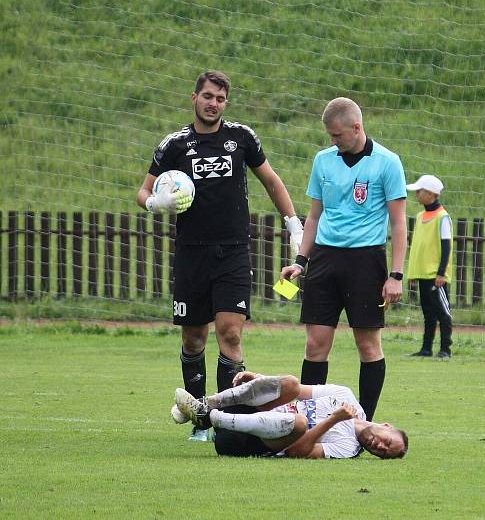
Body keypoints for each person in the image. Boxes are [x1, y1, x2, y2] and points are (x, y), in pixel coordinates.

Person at [137, 70, 304, 442]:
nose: (214, 103)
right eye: (208, 96)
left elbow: (272, 181)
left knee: (230, 333)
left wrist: (293, 223)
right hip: (191, 255)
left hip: (233, 253)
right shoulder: (174, 145)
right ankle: (198, 417)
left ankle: (225, 418)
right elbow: (143, 190)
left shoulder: (241, 138)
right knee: (193, 340)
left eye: (220, 98)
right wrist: (154, 202)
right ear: (193, 97)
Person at [280, 97, 407, 422]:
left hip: (366, 262)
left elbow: (398, 223)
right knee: (315, 345)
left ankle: (363, 424)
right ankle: (308, 422)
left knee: (368, 345)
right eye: (329, 136)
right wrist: (300, 261)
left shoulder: (388, 162)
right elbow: (314, 216)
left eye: (337, 135)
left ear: (356, 127)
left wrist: (396, 275)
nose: (332, 141)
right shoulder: (323, 161)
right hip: (324, 260)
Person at [173, 371, 409, 459]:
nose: (378, 445)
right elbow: (296, 390)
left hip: (246, 441)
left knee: (300, 423)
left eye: (382, 452)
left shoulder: (348, 449)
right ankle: (207, 404)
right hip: (248, 411)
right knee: (293, 383)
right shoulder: (345, 395)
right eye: (386, 441)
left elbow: (297, 452)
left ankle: (209, 418)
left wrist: (332, 420)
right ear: (386, 426)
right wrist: (260, 379)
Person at [405, 174, 454, 358]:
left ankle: (445, 349)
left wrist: (441, 273)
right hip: (422, 274)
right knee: (428, 314)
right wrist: (412, 273)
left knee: (443, 312)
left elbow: (446, 246)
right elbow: (418, 247)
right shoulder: (419, 216)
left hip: (435, 275)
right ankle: (426, 349)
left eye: (420, 191)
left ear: (432, 194)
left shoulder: (443, 217)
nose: (416, 194)